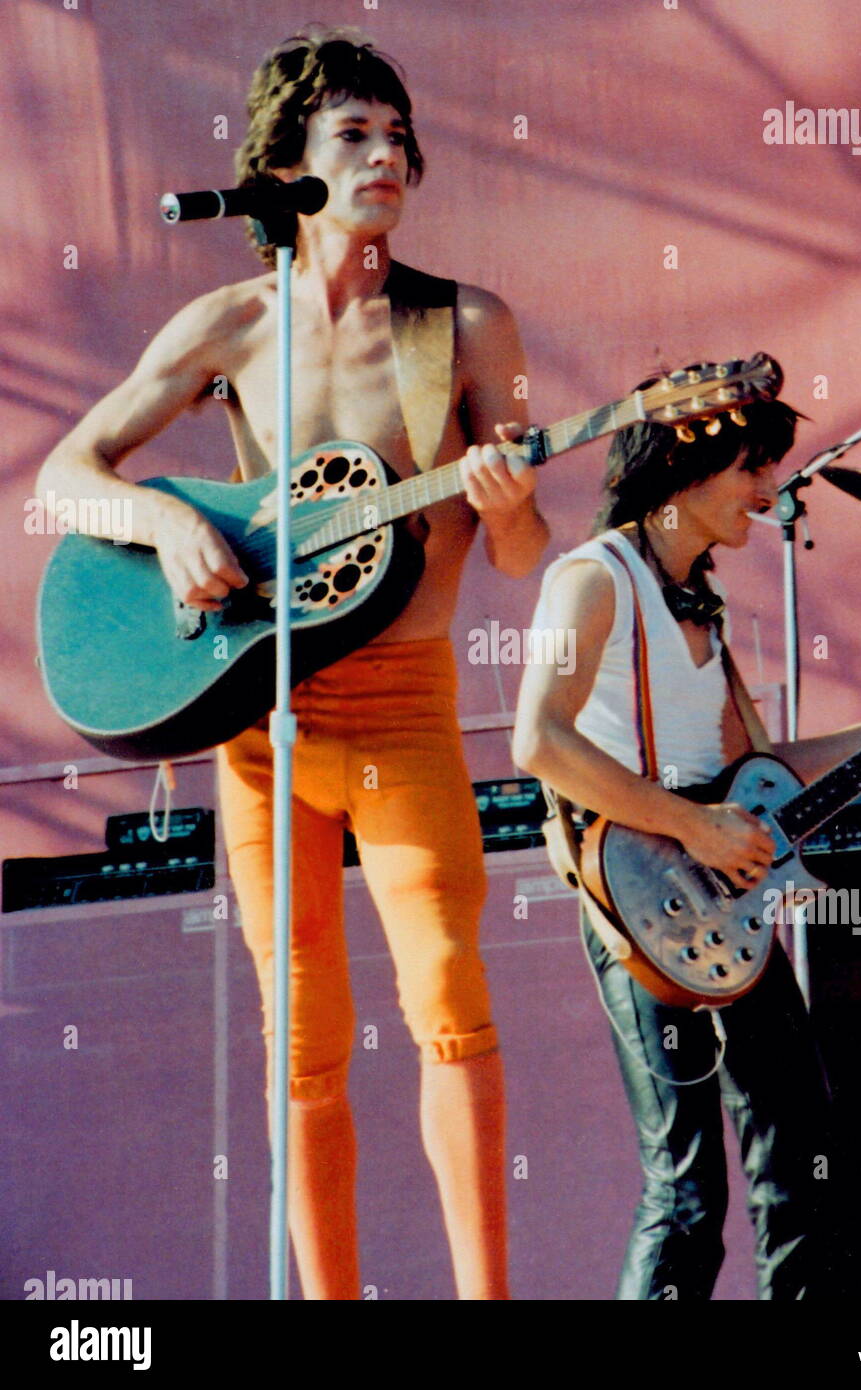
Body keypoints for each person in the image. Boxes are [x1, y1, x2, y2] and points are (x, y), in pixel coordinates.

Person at [35, 26, 548, 1300]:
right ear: (287, 170)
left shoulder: (465, 324)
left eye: (395, 137)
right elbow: (67, 473)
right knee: (301, 1042)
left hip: (406, 705)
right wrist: (164, 520)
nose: (384, 157)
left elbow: (526, 553)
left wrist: (501, 503)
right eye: (351, 136)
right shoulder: (228, 325)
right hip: (262, 716)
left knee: (449, 1001)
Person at [511, 392, 861, 1299]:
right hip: (639, 902)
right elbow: (539, 741)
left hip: (724, 900)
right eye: (752, 468)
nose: (769, 489)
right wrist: (692, 824)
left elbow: (765, 768)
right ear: (683, 472)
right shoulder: (594, 577)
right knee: (685, 1186)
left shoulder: (701, 605)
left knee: (799, 1149)